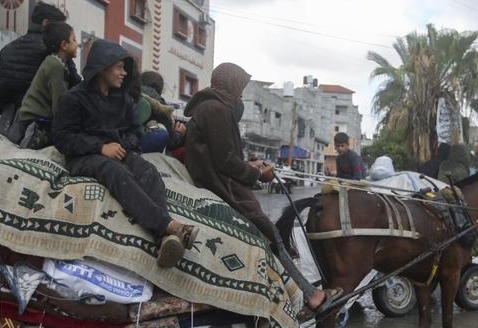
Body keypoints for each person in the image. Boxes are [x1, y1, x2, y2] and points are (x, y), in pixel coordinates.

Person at [183, 63, 340, 316]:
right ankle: (309, 296)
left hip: (218, 178)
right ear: (231, 84)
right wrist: (258, 173)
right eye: (240, 88)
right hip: (222, 186)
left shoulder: (209, 107)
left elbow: (222, 156)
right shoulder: (217, 110)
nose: (241, 95)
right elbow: (225, 162)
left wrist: (250, 165)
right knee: (271, 234)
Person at [52, 39, 197, 269]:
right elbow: (62, 137)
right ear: (102, 67)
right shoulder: (73, 98)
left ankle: (164, 239)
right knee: (117, 172)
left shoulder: (124, 99)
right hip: (84, 156)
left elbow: (134, 133)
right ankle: (169, 226)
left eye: (124, 68)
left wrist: (122, 147)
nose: (123, 73)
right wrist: (101, 147)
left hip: (118, 152)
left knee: (148, 170)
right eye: (118, 67)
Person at [0, 2, 80, 142]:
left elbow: (1, 89)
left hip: (8, 120)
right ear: (46, 23)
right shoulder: (54, 53)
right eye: (59, 26)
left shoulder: (7, 49)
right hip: (40, 122)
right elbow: (73, 85)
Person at [17, 21, 79, 149]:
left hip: (32, 118)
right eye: (74, 40)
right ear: (64, 45)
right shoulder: (56, 67)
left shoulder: (55, 63)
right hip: (35, 123)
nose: (77, 44)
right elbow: (60, 105)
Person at [138, 71, 186, 153]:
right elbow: (171, 142)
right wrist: (179, 133)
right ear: (160, 89)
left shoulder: (130, 95)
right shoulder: (161, 107)